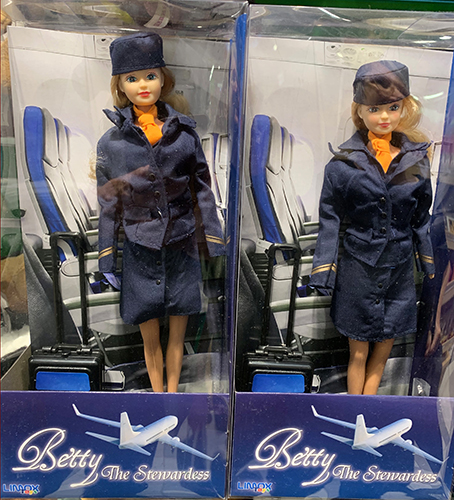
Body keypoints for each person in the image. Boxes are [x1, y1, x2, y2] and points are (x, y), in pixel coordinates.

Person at [96, 32, 224, 392]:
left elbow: (202, 188)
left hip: (181, 245)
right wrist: (107, 254)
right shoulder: (111, 143)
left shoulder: (184, 136)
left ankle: (173, 394)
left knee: (178, 334)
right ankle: (157, 396)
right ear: (120, 85)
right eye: (132, 78)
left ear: (163, 79)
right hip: (140, 249)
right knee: (149, 338)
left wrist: (212, 238)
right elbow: (108, 203)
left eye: (150, 76)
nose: (142, 85)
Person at [309, 60, 435, 395]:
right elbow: (329, 220)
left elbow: (421, 215)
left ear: (404, 108)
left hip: (398, 267)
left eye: (393, 108)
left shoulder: (416, 160)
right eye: (374, 109)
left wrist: (427, 260)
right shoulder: (342, 165)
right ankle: (356, 410)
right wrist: (323, 270)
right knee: (358, 352)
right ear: (360, 111)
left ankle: (369, 407)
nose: (384, 117)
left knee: (382, 352)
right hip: (359, 267)